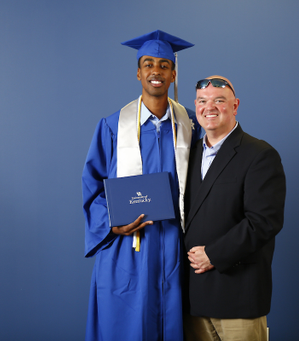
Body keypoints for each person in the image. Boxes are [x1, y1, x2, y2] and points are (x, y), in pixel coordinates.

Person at [82, 30, 202, 341]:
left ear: (173, 73)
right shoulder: (112, 127)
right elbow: (92, 187)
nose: (156, 71)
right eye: (148, 64)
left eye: (164, 65)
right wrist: (112, 224)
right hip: (129, 249)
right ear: (138, 73)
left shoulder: (191, 125)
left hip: (176, 246)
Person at [183, 76, 286, 341]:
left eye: (220, 100)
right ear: (196, 106)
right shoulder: (187, 155)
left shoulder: (259, 154)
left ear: (235, 105)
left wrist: (214, 254)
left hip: (238, 295)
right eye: (203, 102)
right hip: (193, 297)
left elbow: (263, 222)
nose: (210, 107)